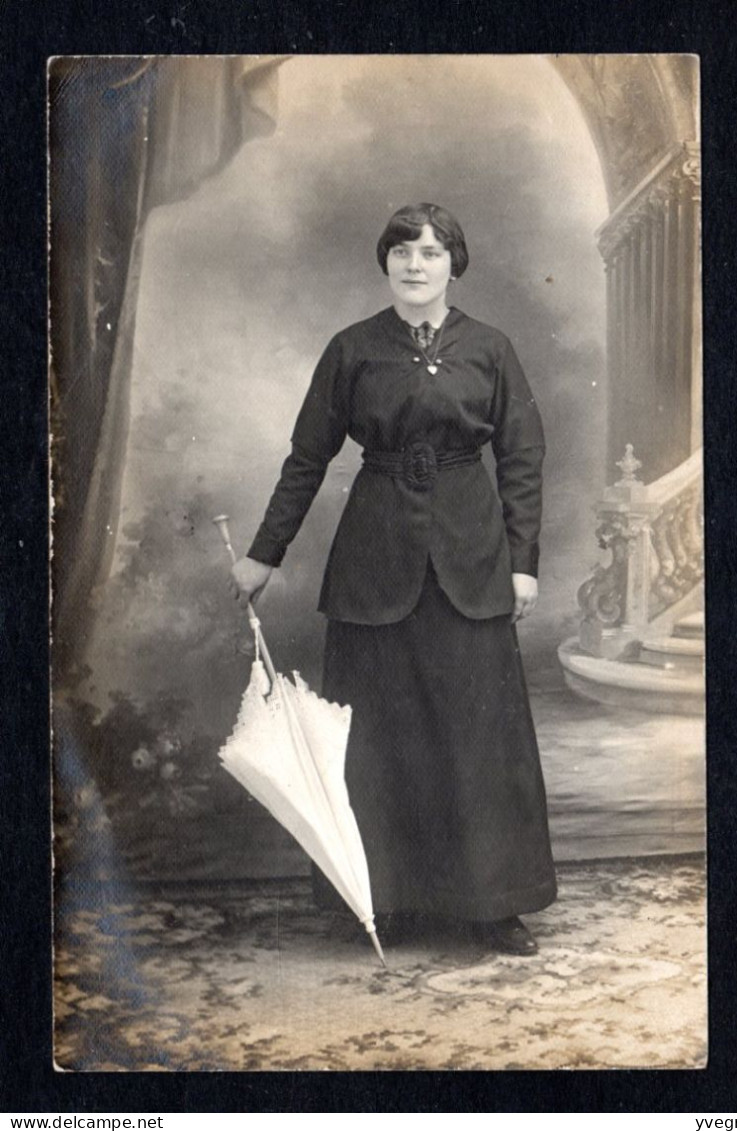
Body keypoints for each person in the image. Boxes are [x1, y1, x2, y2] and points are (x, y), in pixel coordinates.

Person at [230, 203, 556, 955]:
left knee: (476, 736)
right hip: (373, 563)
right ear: (385, 263)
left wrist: (523, 563)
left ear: (454, 264)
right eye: (403, 251)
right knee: (376, 738)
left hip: (471, 561)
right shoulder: (351, 350)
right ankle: (381, 897)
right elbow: (305, 460)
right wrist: (263, 555)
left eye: (433, 251)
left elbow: (522, 461)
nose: (416, 264)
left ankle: (490, 905)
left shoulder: (491, 349)